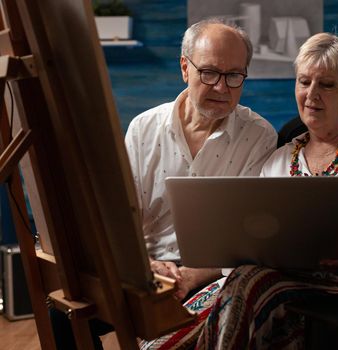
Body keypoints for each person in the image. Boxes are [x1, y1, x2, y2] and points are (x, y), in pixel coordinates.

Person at [141, 32, 338, 349]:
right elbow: (242, 245)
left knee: (247, 282)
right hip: (267, 286)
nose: (311, 95)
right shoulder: (277, 159)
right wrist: (190, 276)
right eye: (304, 82)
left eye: (326, 84)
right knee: (189, 314)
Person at [50, 18, 277, 349]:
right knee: (63, 311)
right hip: (148, 271)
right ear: (185, 68)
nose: (222, 88)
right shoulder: (144, 128)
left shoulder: (259, 136)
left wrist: (193, 276)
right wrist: (145, 266)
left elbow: (249, 236)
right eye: (210, 72)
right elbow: (122, 218)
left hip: (213, 276)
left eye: (234, 76)